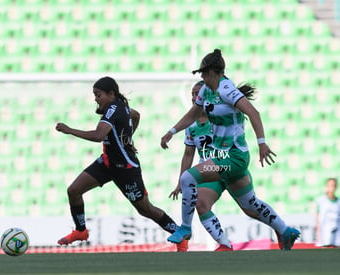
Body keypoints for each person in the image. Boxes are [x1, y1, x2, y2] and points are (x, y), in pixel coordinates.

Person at [161, 49, 300, 250]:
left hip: (232, 157)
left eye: (203, 73)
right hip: (222, 158)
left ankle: (185, 228)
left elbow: (253, 112)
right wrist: (171, 131)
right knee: (250, 206)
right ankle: (286, 231)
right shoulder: (206, 90)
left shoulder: (227, 89)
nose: (201, 77)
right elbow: (193, 114)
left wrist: (262, 143)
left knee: (187, 178)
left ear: (213, 72)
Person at [55, 76, 188, 251]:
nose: (95, 99)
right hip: (107, 162)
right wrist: (128, 137)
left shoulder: (112, 109)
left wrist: (69, 130)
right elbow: (136, 115)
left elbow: (98, 135)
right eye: (94, 95)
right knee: (74, 190)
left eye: (98, 95)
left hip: (126, 168)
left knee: (146, 209)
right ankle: (81, 231)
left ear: (111, 94)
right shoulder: (120, 105)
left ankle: (180, 235)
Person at [169, 80, 261, 251]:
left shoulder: (220, 117)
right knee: (201, 204)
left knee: (250, 209)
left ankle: (282, 229)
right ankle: (225, 244)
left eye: (198, 93)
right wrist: (180, 182)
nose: (195, 97)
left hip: (229, 166)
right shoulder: (191, 126)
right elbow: (188, 154)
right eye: (193, 94)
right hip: (209, 172)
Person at [315, 177, 340, 247]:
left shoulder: (338, 202)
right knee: (325, 248)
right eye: (330, 185)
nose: (332, 188)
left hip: (337, 230)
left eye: (333, 185)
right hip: (324, 231)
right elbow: (318, 215)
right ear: (326, 186)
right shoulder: (321, 200)